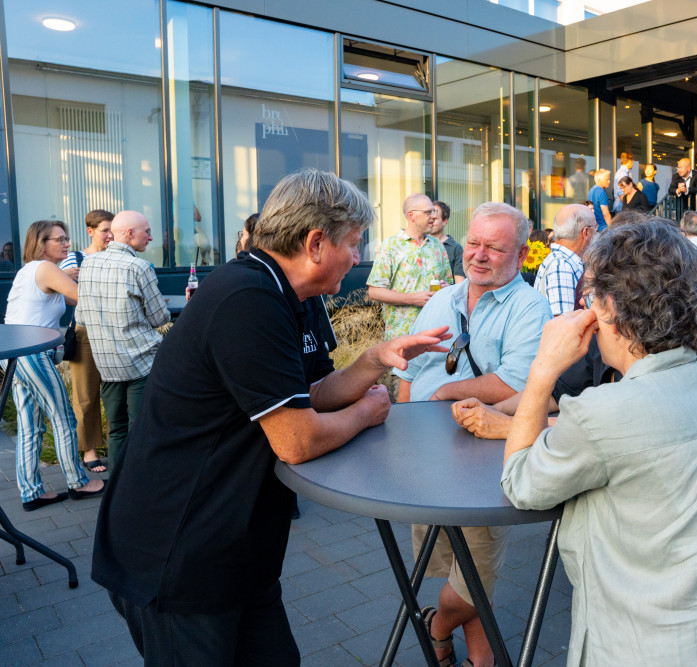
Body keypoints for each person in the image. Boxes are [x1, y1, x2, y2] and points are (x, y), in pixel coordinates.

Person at [91, 170, 449, 665]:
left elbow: (310, 393)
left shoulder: (287, 293)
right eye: (354, 242)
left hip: (236, 553)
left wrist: (373, 361)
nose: (358, 257)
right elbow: (296, 440)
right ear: (316, 242)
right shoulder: (248, 298)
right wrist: (367, 411)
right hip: (180, 556)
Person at [500, 221, 697, 666]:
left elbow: (519, 482)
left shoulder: (605, 412)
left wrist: (542, 371)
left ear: (609, 307)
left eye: (589, 296)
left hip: (649, 647)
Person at [394, 201, 551, 667]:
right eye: (475, 244)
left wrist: (446, 391)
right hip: (424, 453)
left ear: (520, 255)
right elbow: (411, 368)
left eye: (494, 248)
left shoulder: (529, 305)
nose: (479, 255)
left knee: (474, 573)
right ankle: (479, 659)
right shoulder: (443, 298)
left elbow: (517, 381)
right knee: (449, 561)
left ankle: (436, 626)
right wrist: (400, 429)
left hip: (482, 456)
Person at [4, 220, 105, 511]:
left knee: (30, 427)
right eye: (58, 239)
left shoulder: (33, 270)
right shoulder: (46, 269)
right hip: (31, 353)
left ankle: (31, 492)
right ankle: (78, 483)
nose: (66, 243)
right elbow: (82, 297)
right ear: (40, 243)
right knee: (63, 417)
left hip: (15, 352)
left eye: (66, 238)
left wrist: (67, 276)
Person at [77, 211, 170, 471]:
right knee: (142, 429)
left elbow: (81, 316)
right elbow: (159, 317)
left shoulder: (88, 264)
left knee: (117, 430)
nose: (151, 237)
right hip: (141, 362)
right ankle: (140, 489)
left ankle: (118, 488)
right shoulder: (138, 267)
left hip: (107, 365)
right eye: (147, 231)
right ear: (130, 233)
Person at [59, 209, 114, 473]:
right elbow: (67, 295)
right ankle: (89, 451)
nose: (110, 235)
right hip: (85, 332)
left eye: (112, 230)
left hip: (114, 331)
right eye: (105, 230)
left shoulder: (117, 256)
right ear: (90, 231)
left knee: (116, 391)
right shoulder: (75, 257)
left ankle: (117, 446)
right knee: (85, 394)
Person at [367, 193, 454, 340]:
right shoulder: (391, 246)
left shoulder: (438, 246)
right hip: (401, 337)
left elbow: (450, 285)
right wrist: (413, 299)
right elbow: (375, 292)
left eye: (434, 212)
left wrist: (447, 289)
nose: (433, 216)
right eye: (428, 212)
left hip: (434, 334)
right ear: (411, 215)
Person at [534, 204, 596, 316]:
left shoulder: (563, 262)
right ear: (585, 232)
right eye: (595, 228)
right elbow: (565, 322)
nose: (597, 233)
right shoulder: (561, 266)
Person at [430, 200, 465, 283]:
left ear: (444, 221)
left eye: (434, 219)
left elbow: (460, 284)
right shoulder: (420, 244)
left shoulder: (456, 248)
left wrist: (448, 288)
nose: (430, 222)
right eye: (429, 218)